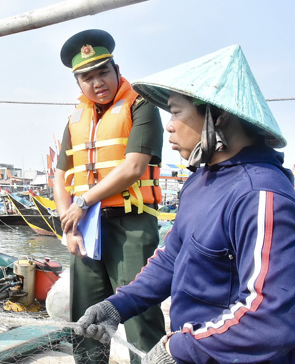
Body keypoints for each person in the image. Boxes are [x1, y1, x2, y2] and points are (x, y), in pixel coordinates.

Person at [74, 45, 295, 363]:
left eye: (176, 112)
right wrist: (117, 305)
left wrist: (177, 349)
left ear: (218, 114)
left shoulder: (260, 194)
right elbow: (170, 259)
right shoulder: (201, 181)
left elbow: (270, 322)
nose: (169, 125)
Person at [53, 29, 166, 363]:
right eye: (86, 77)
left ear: (117, 70)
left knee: (140, 315)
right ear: (78, 84)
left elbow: (134, 166)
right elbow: (60, 174)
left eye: (103, 72)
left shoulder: (141, 105)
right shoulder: (75, 118)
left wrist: (82, 202)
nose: (97, 82)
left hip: (130, 224)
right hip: (85, 228)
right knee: (86, 315)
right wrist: (68, 226)